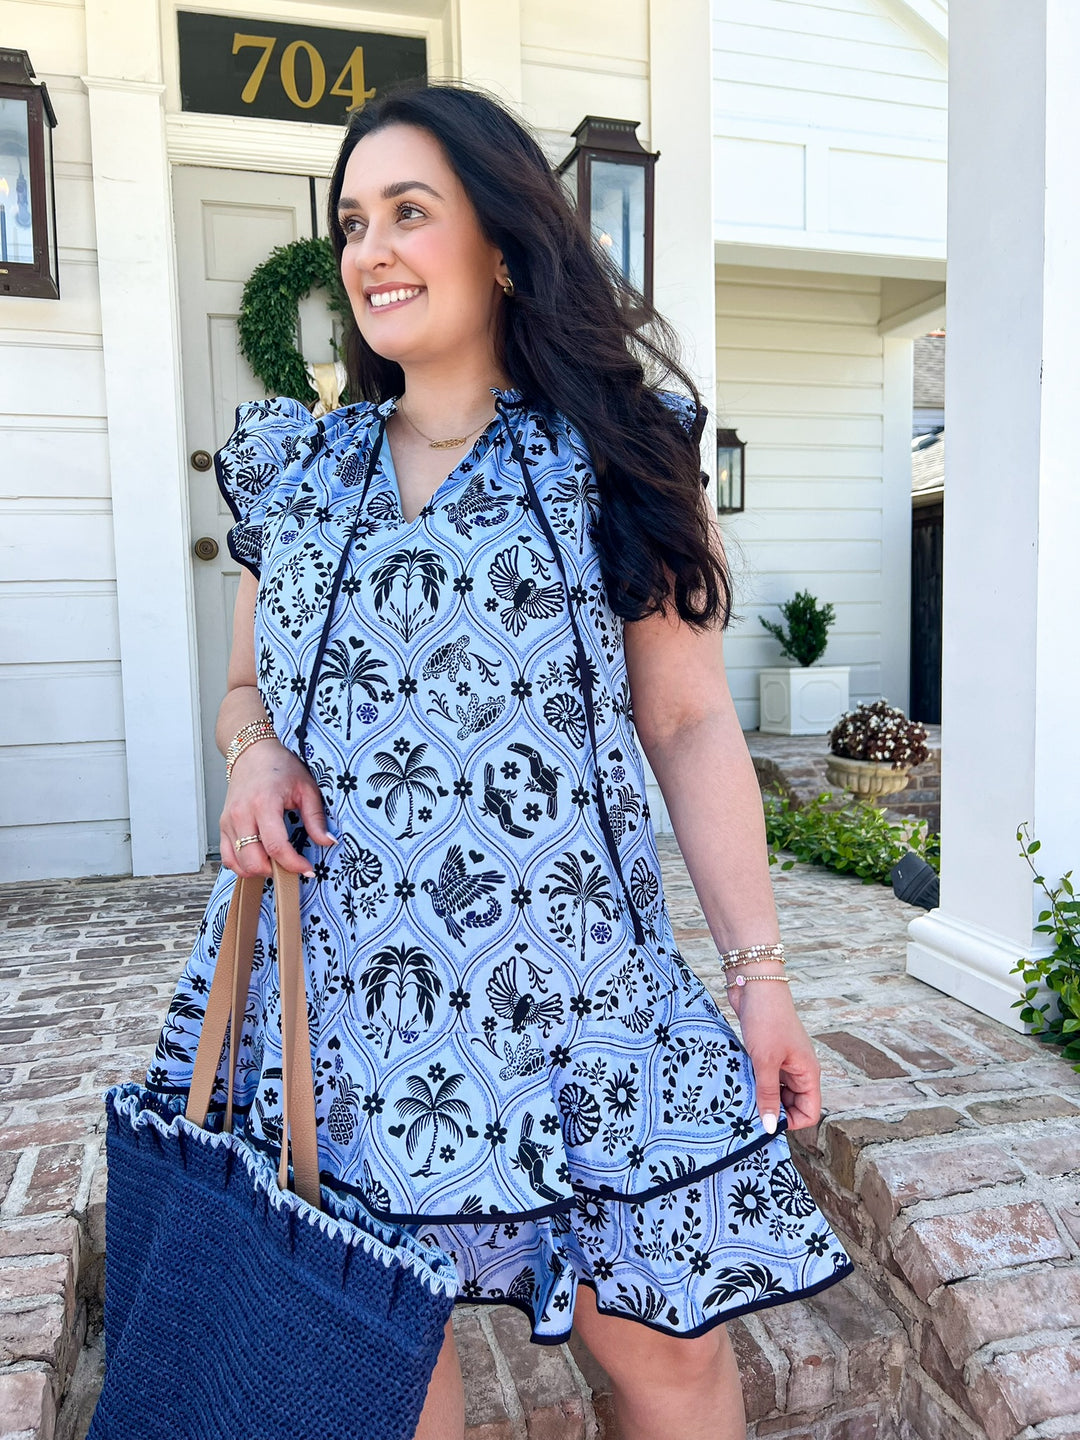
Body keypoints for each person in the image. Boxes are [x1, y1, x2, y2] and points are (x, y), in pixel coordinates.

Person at [146, 83, 853, 1440]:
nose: (371, 251)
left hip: (574, 993)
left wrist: (759, 974)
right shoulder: (297, 471)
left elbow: (690, 722)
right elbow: (245, 690)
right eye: (353, 222)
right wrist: (252, 755)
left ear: (503, 241)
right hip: (343, 996)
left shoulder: (614, 455)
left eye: (409, 212)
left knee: (669, 1358)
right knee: (379, 1370)